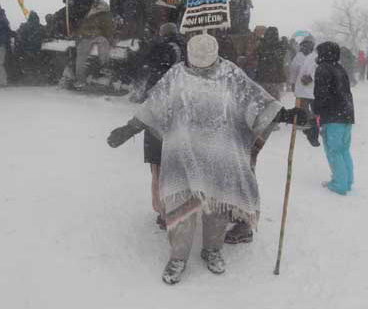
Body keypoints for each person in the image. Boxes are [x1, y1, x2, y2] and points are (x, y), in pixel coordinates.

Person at [106, 34, 307, 285]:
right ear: (189, 57)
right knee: (180, 206)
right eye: (197, 61)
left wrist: (286, 114)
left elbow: (256, 101)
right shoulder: (176, 75)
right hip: (182, 154)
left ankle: (212, 249)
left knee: (217, 206)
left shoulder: (231, 74)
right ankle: (178, 257)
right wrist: (130, 128)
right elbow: (154, 105)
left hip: (219, 155)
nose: (202, 66)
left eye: (207, 62)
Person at [138, 23, 185, 229]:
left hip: (159, 111)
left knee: (158, 167)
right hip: (181, 114)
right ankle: (178, 208)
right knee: (176, 166)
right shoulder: (186, 50)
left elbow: (146, 63)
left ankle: (165, 213)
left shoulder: (158, 47)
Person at [313, 41, 355, 196]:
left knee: (334, 150)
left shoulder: (322, 69)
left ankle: (339, 184)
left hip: (332, 116)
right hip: (346, 114)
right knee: (343, 149)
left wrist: (316, 110)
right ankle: (347, 180)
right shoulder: (340, 68)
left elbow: (321, 94)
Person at [72, 0, 114, 90]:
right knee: (104, 43)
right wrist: (110, 39)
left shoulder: (89, 14)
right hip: (95, 35)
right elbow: (108, 29)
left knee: (81, 59)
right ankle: (104, 67)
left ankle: (80, 80)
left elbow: (81, 27)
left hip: (84, 36)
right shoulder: (105, 15)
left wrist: (78, 37)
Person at [294, 39, 320, 147]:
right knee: (304, 107)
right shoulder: (304, 57)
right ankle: (306, 123)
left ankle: (312, 127)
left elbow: (316, 71)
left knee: (311, 109)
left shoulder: (314, 57)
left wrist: (309, 78)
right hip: (305, 89)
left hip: (309, 88)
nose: (303, 49)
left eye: (305, 47)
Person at [256, 26, 287, 100]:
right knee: (274, 101)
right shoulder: (280, 46)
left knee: (262, 101)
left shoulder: (262, 45)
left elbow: (261, 55)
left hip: (263, 77)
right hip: (275, 78)